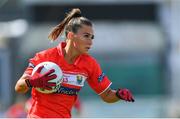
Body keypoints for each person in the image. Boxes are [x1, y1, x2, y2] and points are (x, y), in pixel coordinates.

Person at [15, 8, 135, 118]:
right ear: (71, 36)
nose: (90, 42)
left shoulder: (90, 64)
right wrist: (31, 81)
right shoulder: (44, 57)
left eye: (92, 37)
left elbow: (106, 95)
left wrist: (118, 94)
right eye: (86, 36)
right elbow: (19, 87)